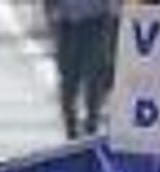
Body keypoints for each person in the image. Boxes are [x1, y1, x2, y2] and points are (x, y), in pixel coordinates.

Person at [43, 0, 117, 139]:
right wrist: (51, 15)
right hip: (67, 25)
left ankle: (91, 124)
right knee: (69, 80)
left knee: (94, 77)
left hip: (96, 23)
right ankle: (70, 128)